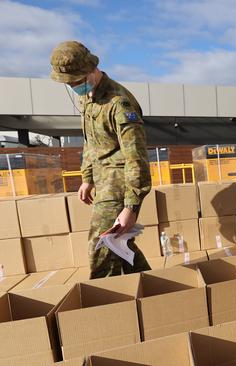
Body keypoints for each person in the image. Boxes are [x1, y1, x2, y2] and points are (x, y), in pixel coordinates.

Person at [50, 41, 151, 278]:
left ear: (91, 69)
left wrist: (131, 206)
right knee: (117, 244)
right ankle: (154, 290)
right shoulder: (86, 99)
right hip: (101, 178)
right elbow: (90, 142)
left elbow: (136, 156)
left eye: (76, 81)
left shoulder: (119, 103)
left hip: (118, 181)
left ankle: (103, 308)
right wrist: (87, 177)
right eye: (69, 83)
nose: (74, 87)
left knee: (100, 246)